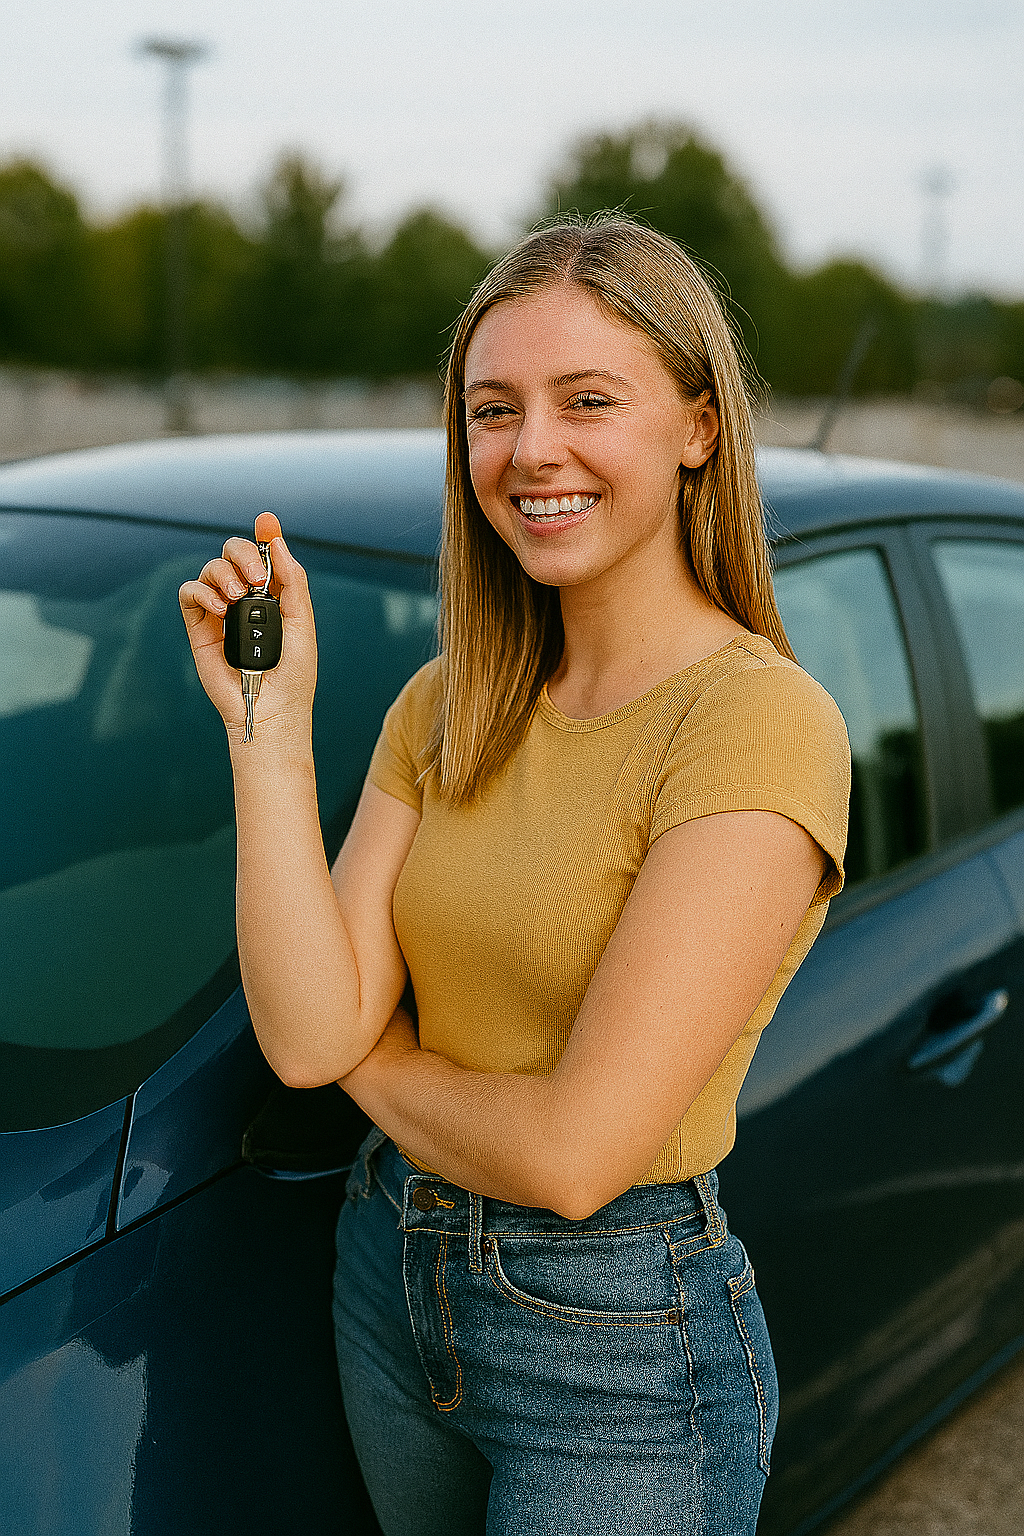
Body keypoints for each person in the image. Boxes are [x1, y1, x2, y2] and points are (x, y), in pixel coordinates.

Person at [179, 215, 850, 1536]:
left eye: (587, 400)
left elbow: (572, 1154)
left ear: (699, 426)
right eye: (494, 410)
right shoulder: (448, 701)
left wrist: (365, 1053)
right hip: (387, 1274)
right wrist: (266, 728)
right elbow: (307, 1027)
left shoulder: (757, 723)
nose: (532, 450)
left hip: (614, 1342)